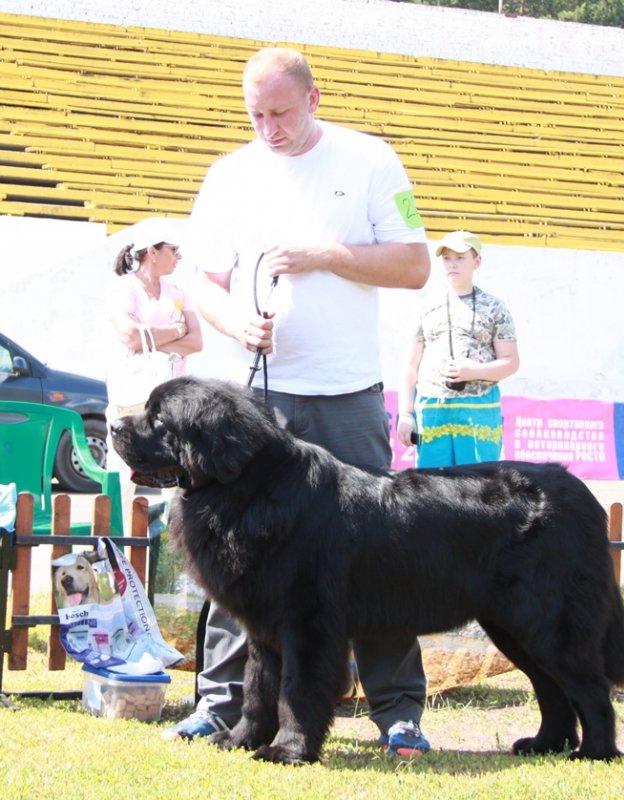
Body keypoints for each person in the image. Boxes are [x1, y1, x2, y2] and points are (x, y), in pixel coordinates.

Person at [165, 47, 432, 757]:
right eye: (255, 115)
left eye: (280, 112)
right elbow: (200, 280)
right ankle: (220, 706)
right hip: (252, 402)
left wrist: (325, 255)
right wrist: (232, 323)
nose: (268, 128)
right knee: (231, 558)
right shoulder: (229, 174)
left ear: (314, 99)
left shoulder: (370, 160)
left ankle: (398, 712)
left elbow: (413, 264)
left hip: (346, 393)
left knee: (379, 556)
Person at [106, 217, 202, 532]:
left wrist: (151, 338)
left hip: (169, 401)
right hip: (130, 400)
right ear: (153, 252)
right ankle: (111, 552)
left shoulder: (178, 292)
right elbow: (129, 336)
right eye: (173, 250)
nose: (179, 257)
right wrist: (174, 332)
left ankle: (169, 553)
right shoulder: (124, 287)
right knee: (120, 478)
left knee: (174, 477)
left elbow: (196, 342)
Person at [397, 230, 519, 467]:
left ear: (477, 262)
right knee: (433, 489)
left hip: (479, 408)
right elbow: (410, 365)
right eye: (446, 258)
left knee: (478, 489)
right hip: (433, 408)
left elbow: (511, 362)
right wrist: (405, 414)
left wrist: (475, 371)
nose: (452, 264)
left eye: (460, 257)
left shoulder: (494, 308)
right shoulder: (425, 307)